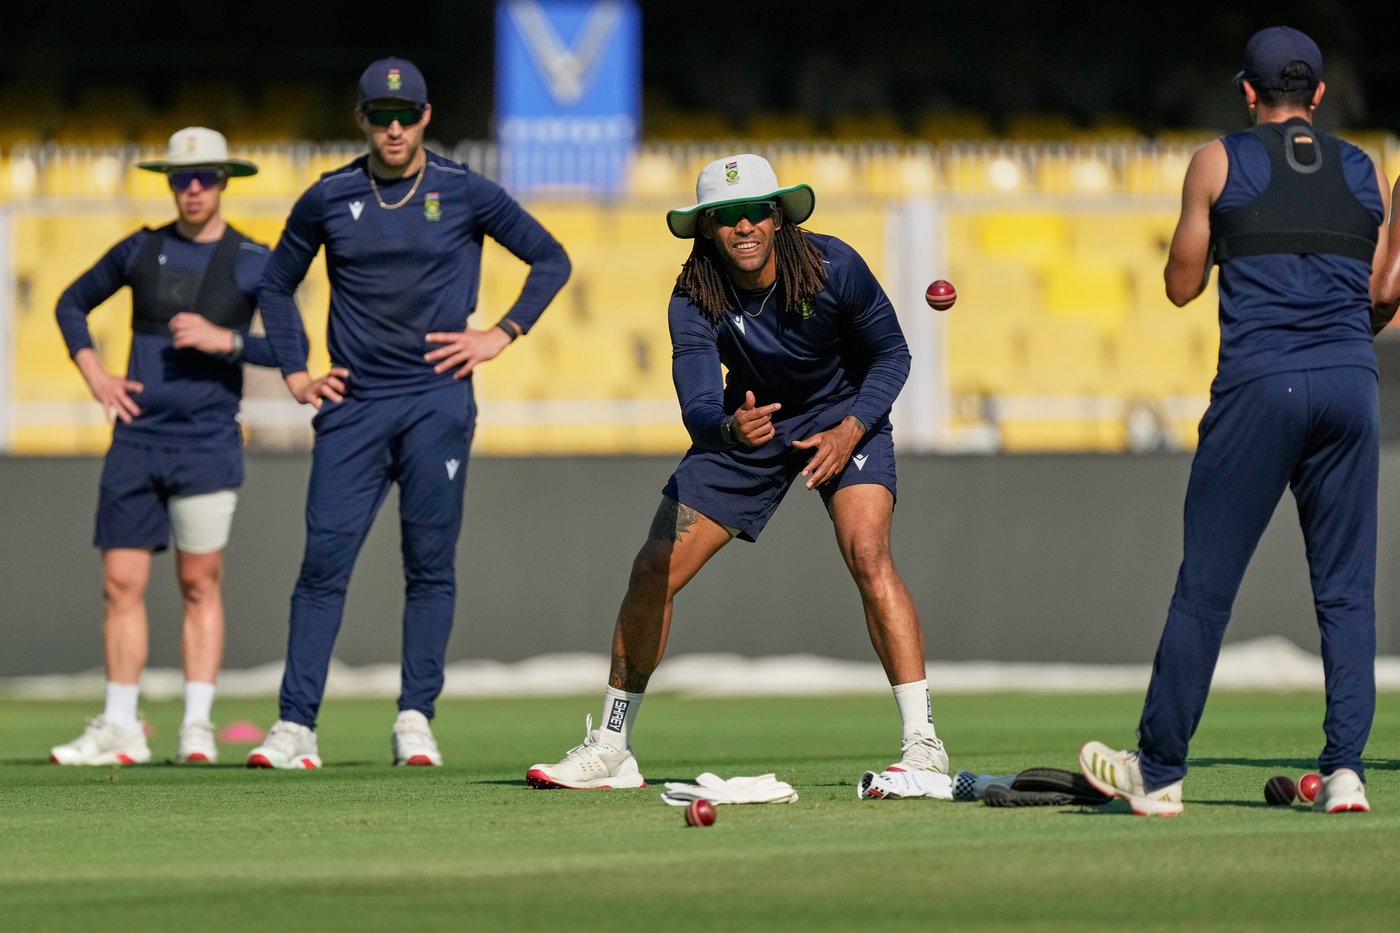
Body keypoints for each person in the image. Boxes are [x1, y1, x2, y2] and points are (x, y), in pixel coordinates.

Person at [526, 153, 949, 790]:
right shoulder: (693, 296)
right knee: (653, 570)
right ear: (706, 229)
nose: (743, 226)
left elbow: (893, 355)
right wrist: (728, 429)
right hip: (748, 424)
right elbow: (697, 404)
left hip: (845, 415)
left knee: (868, 553)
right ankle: (611, 748)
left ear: (777, 217)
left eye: (754, 211)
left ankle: (923, 743)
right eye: (725, 217)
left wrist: (852, 426)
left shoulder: (835, 266)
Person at [1079, 26, 1389, 815]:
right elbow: (1380, 302)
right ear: (1319, 96)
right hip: (1353, 386)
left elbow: (1181, 285)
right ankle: (1346, 771)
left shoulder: (1218, 160)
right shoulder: (1366, 170)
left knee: (1206, 589)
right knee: (1348, 593)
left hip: (1261, 387)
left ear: (1247, 92)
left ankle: (1157, 770)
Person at [246, 57, 570, 769]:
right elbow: (275, 283)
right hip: (354, 406)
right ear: (361, 120)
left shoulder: (462, 189)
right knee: (323, 563)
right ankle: (295, 726)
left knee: (429, 564)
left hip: (436, 402)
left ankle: (415, 717)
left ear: (426, 117)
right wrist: (296, 370)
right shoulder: (329, 196)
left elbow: (550, 258)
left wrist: (501, 333)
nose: (393, 128)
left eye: (406, 115)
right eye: (379, 115)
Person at [50, 127, 286, 766]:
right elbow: (71, 303)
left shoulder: (253, 260)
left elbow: (293, 351)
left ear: (224, 182)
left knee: (198, 582)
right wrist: (95, 373)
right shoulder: (141, 249)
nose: (193, 189)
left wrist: (226, 341)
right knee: (120, 583)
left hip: (207, 443)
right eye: (182, 178)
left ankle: (197, 727)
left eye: (204, 177)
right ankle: (121, 724)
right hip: (136, 442)